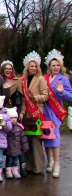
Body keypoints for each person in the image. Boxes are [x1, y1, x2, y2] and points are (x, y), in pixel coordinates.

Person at [43, 49, 72, 177]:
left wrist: (61, 92)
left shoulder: (63, 79)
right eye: (53, 65)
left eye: (58, 65)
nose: (56, 67)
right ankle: (49, 161)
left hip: (56, 112)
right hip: (44, 111)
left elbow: (70, 97)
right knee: (46, 137)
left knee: (54, 137)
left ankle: (57, 164)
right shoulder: (44, 78)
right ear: (49, 66)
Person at [20, 51, 48, 174]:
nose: (34, 68)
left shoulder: (41, 79)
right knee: (27, 140)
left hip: (36, 112)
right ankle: (29, 166)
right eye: (31, 66)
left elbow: (45, 96)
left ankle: (39, 167)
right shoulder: (23, 80)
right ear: (27, 67)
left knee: (36, 140)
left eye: (36, 66)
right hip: (26, 113)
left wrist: (34, 97)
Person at [0, 60, 27, 176]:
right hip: (4, 112)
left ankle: (22, 166)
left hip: (15, 112)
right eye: (6, 68)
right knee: (7, 140)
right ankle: (7, 166)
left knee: (18, 141)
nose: (8, 70)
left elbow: (23, 98)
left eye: (10, 68)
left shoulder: (17, 81)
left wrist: (22, 111)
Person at [4, 107, 29, 179]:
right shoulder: (7, 128)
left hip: (17, 149)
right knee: (9, 160)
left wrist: (24, 147)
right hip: (9, 149)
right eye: (11, 118)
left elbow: (23, 139)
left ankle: (15, 171)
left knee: (15, 161)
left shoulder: (19, 128)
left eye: (15, 117)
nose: (14, 119)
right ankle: (8, 171)